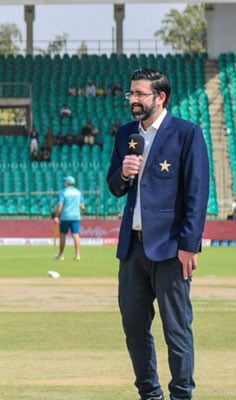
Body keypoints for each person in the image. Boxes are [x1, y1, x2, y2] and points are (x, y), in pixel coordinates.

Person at [106, 68, 209, 400]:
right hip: (132, 250)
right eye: (131, 94)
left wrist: (189, 246)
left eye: (140, 94)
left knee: (176, 330)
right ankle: (150, 394)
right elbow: (115, 187)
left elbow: (197, 193)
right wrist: (123, 172)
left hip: (170, 249)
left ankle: (182, 394)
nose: (133, 100)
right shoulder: (125, 135)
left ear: (160, 97)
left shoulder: (187, 134)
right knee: (134, 330)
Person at [53, 175, 85, 261]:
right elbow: (82, 206)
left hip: (65, 216)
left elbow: (60, 205)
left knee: (63, 235)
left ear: (67, 183)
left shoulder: (63, 192)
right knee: (76, 235)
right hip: (76, 216)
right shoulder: (78, 192)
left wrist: (56, 216)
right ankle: (77, 255)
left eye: (65, 181)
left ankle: (61, 254)